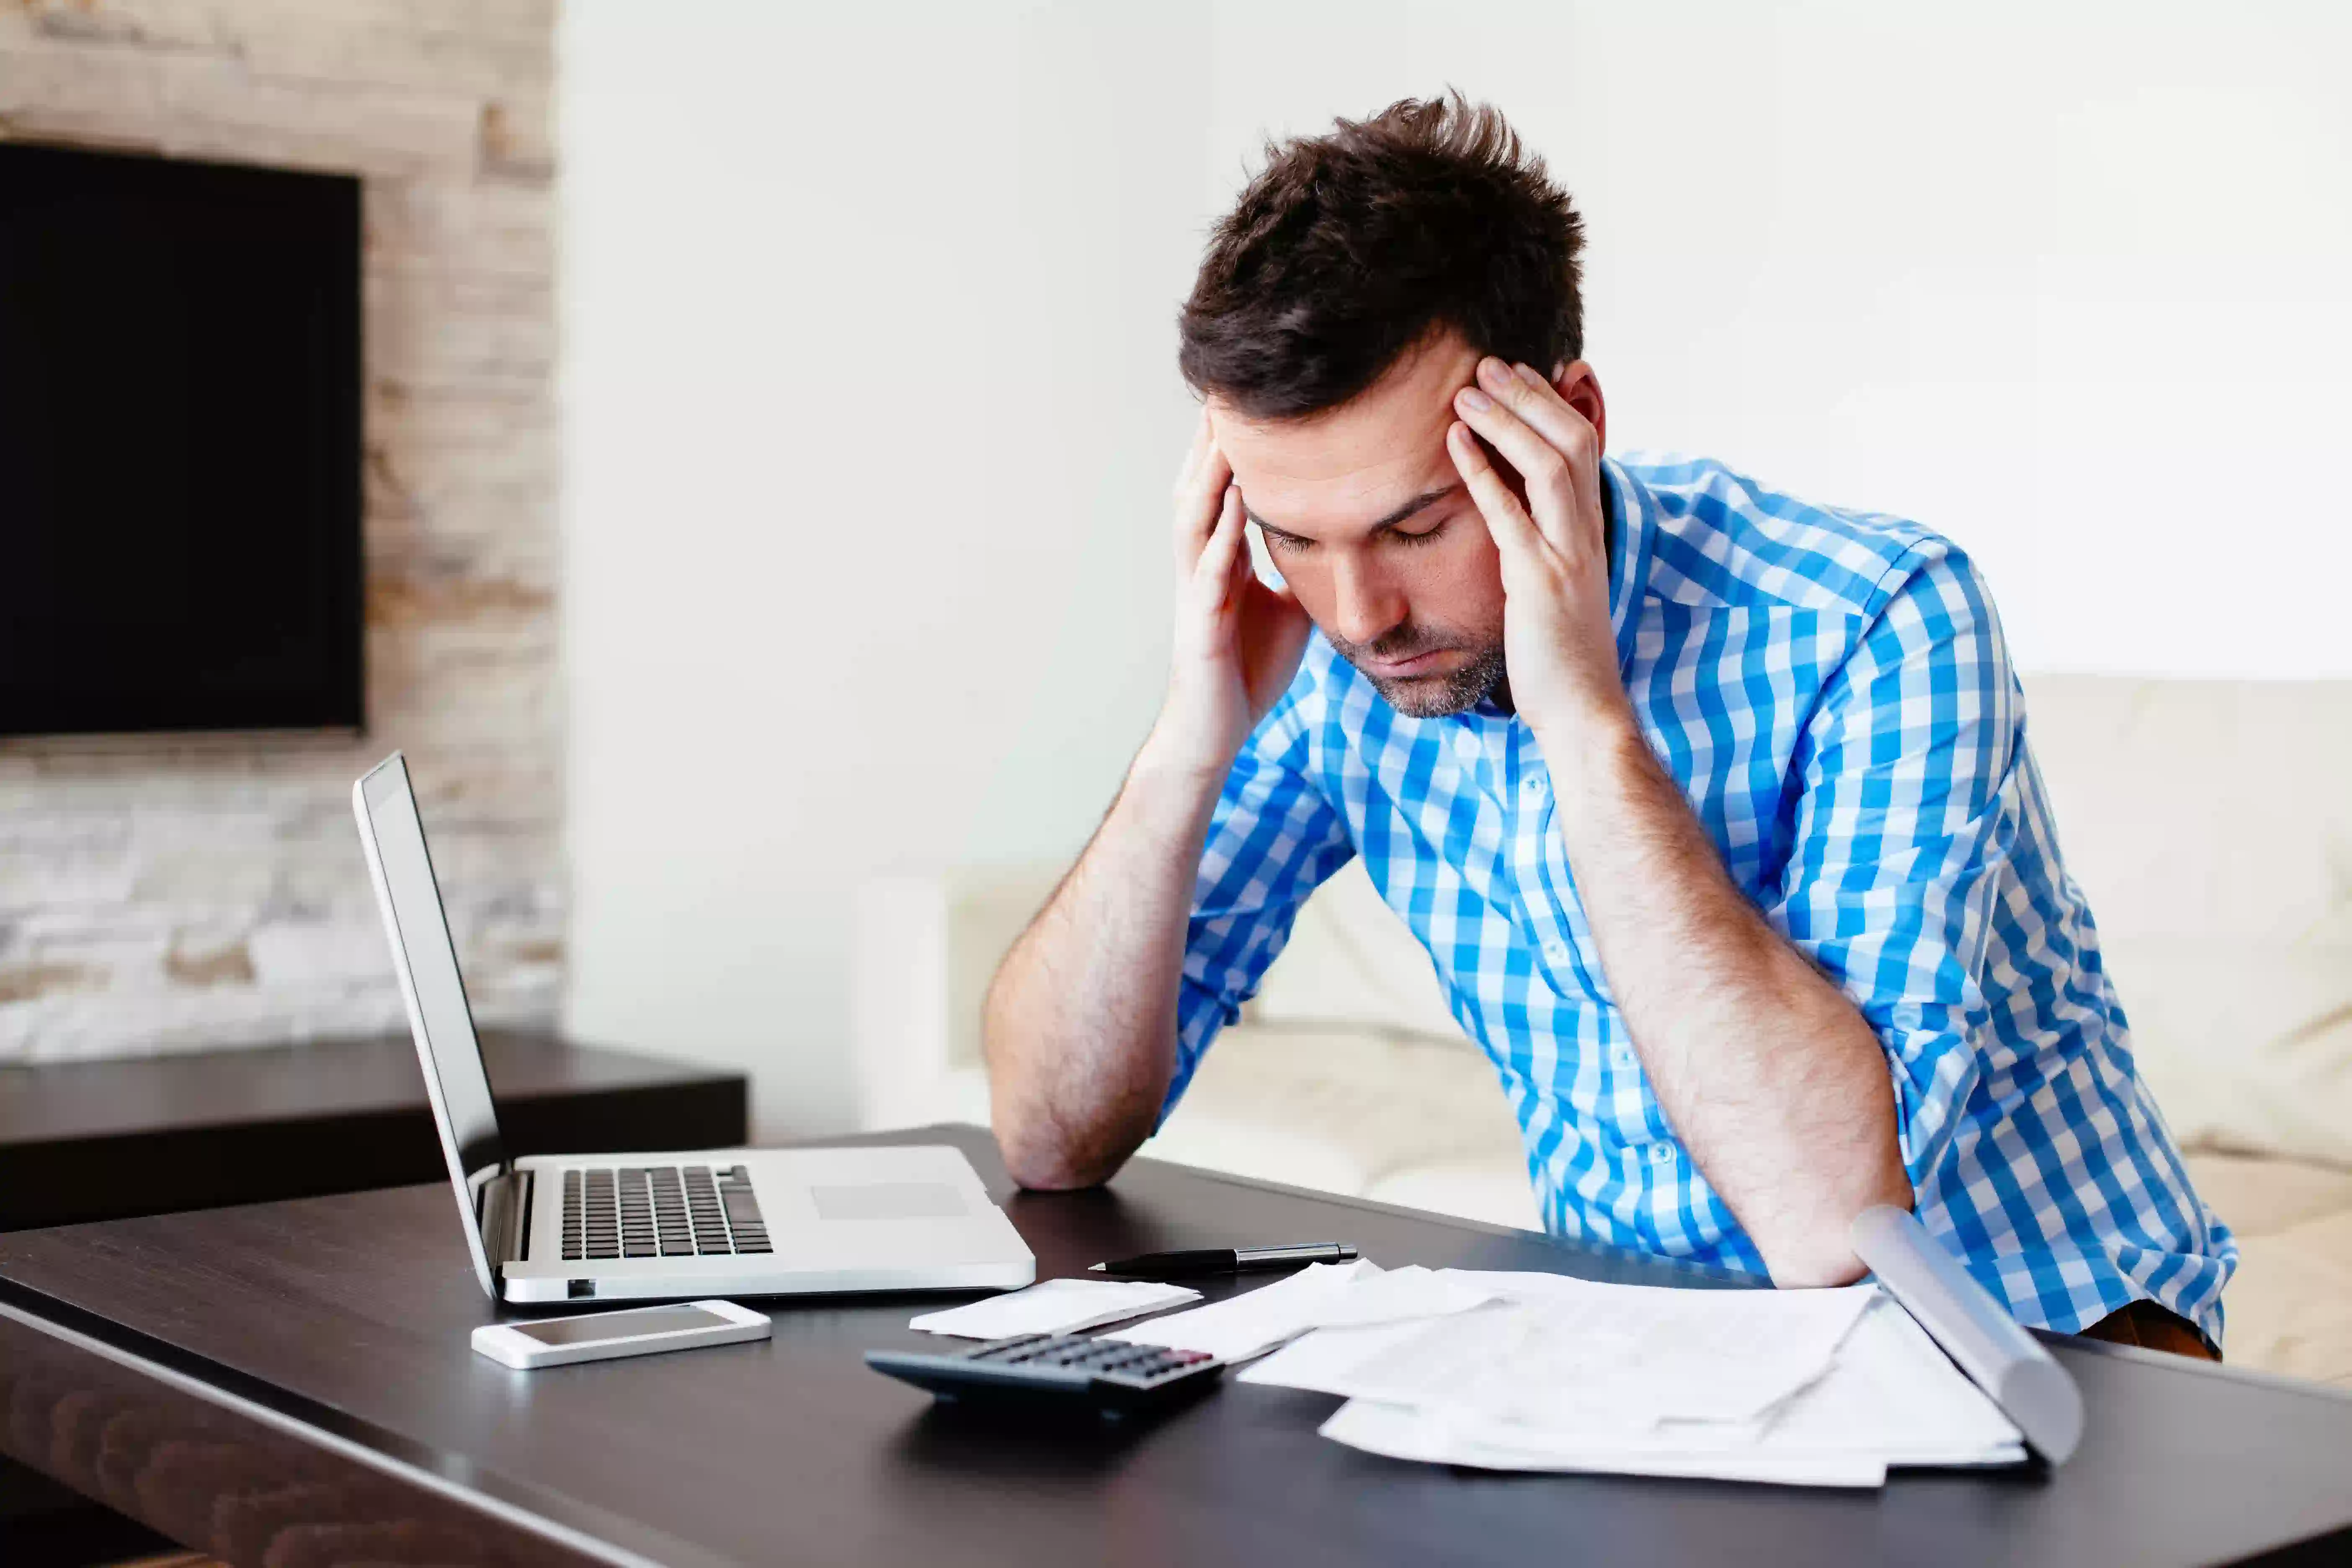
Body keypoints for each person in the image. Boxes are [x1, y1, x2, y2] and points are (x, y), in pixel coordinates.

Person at [982, 94, 2233, 1357]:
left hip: (2046, 1345)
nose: (1361, 614)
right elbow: (1046, 1135)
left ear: (1566, 426)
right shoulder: (1331, 661)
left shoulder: (1878, 620)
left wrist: (1582, 711)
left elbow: (1833, 1228)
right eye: (1294, 537)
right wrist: (1189, 746)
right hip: (1659, 1353)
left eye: (1418, 527)